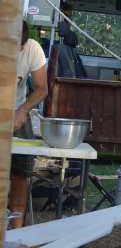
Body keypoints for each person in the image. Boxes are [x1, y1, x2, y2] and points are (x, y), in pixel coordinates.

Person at [10, 21, 48, 228]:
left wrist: (22, 110)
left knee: (19, 175)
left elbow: (42, 88)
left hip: (17, 114)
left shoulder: (32, 48)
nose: (16, 52)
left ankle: (16, 232)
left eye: (19, 48)